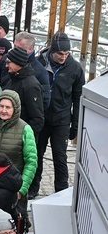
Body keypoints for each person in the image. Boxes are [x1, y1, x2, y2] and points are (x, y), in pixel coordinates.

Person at [31, 31, 84, 198]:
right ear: (51, 50)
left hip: (61, 120)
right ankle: (33, 189)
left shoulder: (75, 68)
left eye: (67, 54)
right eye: (60, 53)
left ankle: (61, 193)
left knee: (60, 157)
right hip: (41, 118)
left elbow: (78, 99)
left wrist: (74, 126)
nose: (63, 57)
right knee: (36, 155)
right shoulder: (38, 63)